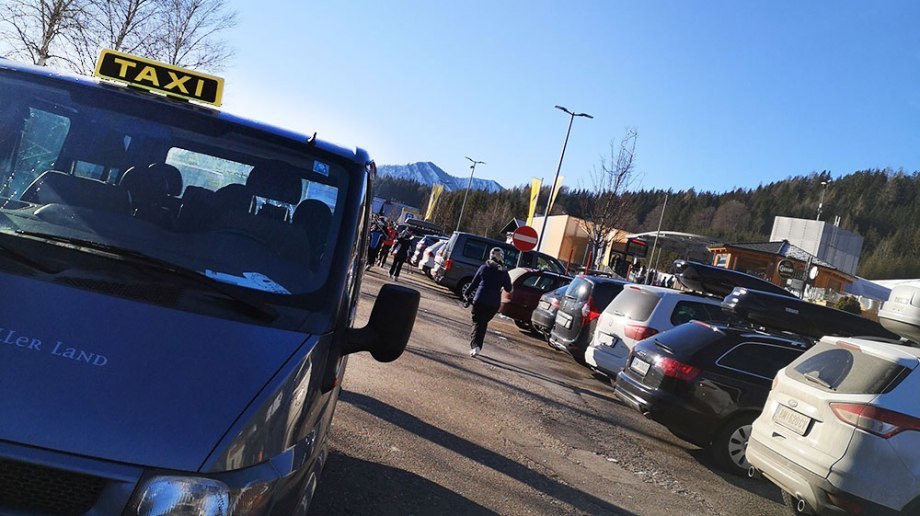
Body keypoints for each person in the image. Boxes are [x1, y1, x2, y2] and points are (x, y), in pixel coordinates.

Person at [463, 247, 512, 358]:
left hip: (480, 299)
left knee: (477, 322)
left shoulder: (483, 268)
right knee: (483, 323)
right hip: (493, 304)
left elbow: (474, 283)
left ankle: (475, 346)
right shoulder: (504, 272)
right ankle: (477, 346)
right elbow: (509, 288)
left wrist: (466, 294)